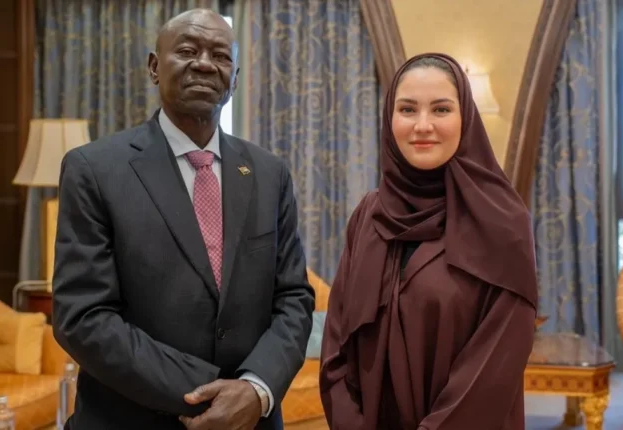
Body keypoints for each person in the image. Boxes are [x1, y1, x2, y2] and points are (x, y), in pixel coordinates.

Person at [52, 8, 314, 430]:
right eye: (188, 50)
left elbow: (294, 298)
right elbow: (83, 317)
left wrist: (255, 390)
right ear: (155, 67)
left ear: (235, 78)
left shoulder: (269, 173)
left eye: (220, 56)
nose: (205, 64)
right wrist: (210, 393)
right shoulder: (94, 169)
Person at [319, 52, 538, 429]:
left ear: (465, 118)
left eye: (441, 109)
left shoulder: (503, 223)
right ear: (390, 119)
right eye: (407, 109)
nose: (423, 125)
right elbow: (337, 344)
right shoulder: (369, 216)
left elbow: (492, 371)